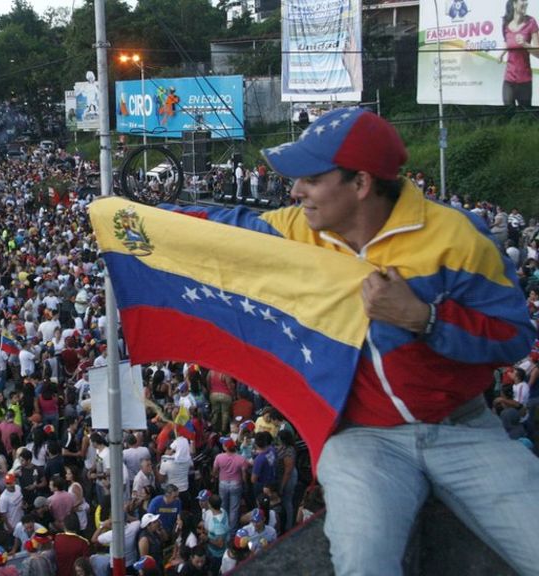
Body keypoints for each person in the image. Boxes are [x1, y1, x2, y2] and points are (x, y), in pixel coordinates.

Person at [169, 107, 539, 574]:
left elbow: (513, 338)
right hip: (361, 440)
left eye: (310, 178)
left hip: (463, 430)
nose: (295, 189)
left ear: (361, 184)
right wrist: (131, 215)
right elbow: (224, 225)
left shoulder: (457, 239)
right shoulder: (298, 230)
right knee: (365, 564)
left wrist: (424, 318)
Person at [499, 0, 539, 107]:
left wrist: (526, 44)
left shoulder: (531, 22)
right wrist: (501, 54)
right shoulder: (506, 25)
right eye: (523, 0)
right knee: (508, 113)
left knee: (525, 116)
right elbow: (508, 43)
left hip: (524, 80)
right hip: (509, 79)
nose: (526, 3)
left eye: (527, 1)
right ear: (514, 4)